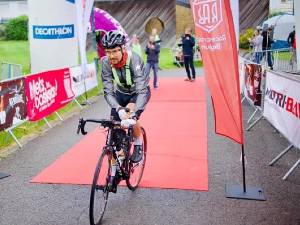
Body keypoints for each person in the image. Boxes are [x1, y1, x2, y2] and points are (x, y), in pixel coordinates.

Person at [101, 30, 151, 187]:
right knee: (114, 135)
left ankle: (137, 143)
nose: (111, 56)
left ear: (122, 49)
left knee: (129, 113)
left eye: (115, 51)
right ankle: (114, 172)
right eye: (108, 52)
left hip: (138, 93)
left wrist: (134, 113)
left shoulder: (134, 60)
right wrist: (117, 108)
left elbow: (142, 91)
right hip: (120, 94)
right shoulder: (105, 63)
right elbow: (108, 91)